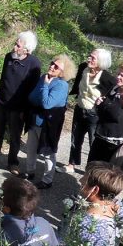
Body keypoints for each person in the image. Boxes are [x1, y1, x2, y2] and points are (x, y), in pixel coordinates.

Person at [0, 31, 42, 175]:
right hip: (0, 102)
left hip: (18, 108)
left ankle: (12, 162)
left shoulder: (34, 64)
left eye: (18, 45)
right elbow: (3, 79)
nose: (14, 47)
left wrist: (26, 110)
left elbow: (33, 89)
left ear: (27, 49)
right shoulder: (8, 57)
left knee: (14, 136)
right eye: (15, 44)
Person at [24, 53, 77, 189]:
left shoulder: (62, 85)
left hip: (49, 124)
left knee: (48, 152)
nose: (52, 66)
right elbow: (32, 97)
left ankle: (47, 180)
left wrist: (45, 87)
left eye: (56, 66)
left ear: (62, 72)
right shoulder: (44, 77)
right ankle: (30, 172)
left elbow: (47, 104)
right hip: (35, 120)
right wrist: (44, 90)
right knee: (30, 148)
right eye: (52, 63)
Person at [61, 162, 123, 246]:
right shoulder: (120, 207)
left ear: (95, 189)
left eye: (84, 178)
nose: (80, 180)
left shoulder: (87, 225)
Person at [67, 48, 116, 172]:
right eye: (89, 56)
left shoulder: (107, 78)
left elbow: (112, 94)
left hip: (94, 114)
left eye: (93, 58)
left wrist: (103, 103)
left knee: (93, 143)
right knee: (75, 138)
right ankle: (71, 164)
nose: (89, 59)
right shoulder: (83, 68)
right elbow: (78, 82)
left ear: (101, 62)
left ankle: (92, 170)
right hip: (80, 108)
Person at [87, 62, 123, 164]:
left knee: (107, 175)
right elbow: (101, 113)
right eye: (118, 74)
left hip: (116, 142)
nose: (118, 77)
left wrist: (106, 105)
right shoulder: (114, 89)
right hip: (101, 136)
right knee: (91, 169)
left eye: (122, 75)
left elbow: (118, 116)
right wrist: (99, 105)